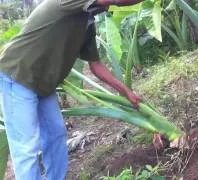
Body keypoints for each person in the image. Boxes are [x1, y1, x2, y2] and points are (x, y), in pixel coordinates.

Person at [0, 0, 144, 179]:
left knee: (56, 134)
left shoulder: (87, 21)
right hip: (17, 75)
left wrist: (126, 91)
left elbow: (96, 65)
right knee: (27, 148)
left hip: (44, 83)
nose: (107, 8)